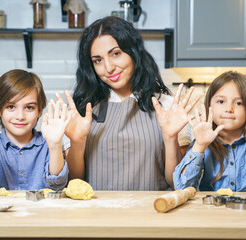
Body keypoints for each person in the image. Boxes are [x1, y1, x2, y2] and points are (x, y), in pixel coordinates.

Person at [55, 16, 199, 191]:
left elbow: (176, 183)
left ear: (133, 52)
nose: (108, 68)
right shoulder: (81, 111)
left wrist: (170, 138)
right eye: (97, 60)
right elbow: (74, 183)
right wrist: (77, 142)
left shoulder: (168, 107)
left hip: (154, 214)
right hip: (96, 215)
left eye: (116, 54)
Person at [173, 71, 246, 195]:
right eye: (221, 101)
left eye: (239, 103)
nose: (229, 109)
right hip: (213, 212)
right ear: (209, 105)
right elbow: (182, 188)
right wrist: (199, 146)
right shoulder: (202, 142)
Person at [0, 69, 71, 192]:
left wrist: (55, 145)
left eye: (29, 107)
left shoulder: (49, 142)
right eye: (11, 107)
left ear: (40, 110)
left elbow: (57, 186)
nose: (20, 116)